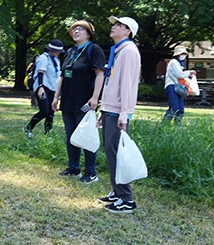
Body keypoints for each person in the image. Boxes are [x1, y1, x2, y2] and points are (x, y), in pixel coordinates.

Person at [51, 20, 106, 183]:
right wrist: (56, 97)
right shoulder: (70, 52)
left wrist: (95, 97)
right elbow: (62, 75)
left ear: (88, 34)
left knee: (86, 135)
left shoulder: (93, 50)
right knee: (71, 136)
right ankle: (73, 168)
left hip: (84, 101)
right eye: (74, 29)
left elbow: (100, 74)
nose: (76, 31)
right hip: (67, 100)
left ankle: (91, 172)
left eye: (80, 29)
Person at [98, 16, 142, 214]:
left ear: (128, 31)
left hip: (118, 110)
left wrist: (124, 112)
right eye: (114, 24)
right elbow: (112, 82)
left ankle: (126, 198)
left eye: (119, 25)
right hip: (111, 108)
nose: (113, 27)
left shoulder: (129, 51)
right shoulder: (119, 51)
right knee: (111, 151)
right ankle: (117, 192)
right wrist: (103, 108)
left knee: (116, 153)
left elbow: (127, 84)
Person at [24, 39, 64, 138]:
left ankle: (48, 133)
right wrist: (40, 87)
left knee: (51, 112)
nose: (58, 53)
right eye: (56, 51)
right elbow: (40, 73)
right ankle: (28, 128)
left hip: (53, 88)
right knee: (44, 111)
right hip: (43, 87)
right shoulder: (44, 58)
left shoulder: (56, 60)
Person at [163, 44, 197, 123]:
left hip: (178, 87)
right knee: (174, 107)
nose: (183, 56)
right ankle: (164, 125)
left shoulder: (179, 63)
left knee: (180, 108)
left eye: (184, 54)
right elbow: (179, 74)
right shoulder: (174, 62)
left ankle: (178, 125)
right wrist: (189, 72)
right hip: (172, 86)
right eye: (182, 54)